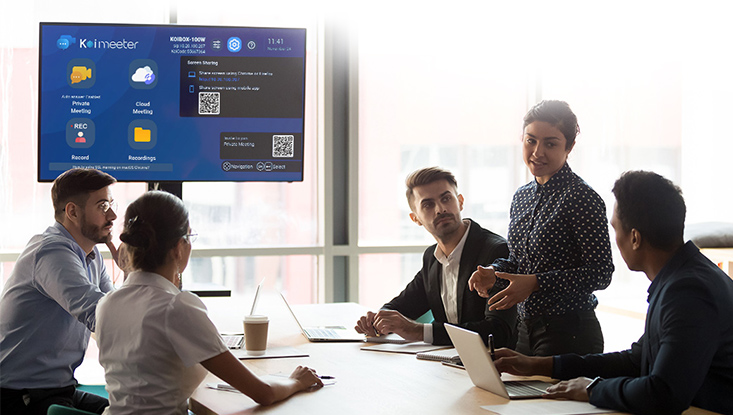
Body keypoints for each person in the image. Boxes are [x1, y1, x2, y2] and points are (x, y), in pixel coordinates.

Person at [492, 171, 733, 415]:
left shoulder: (689, 293)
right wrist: (538, 365)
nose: (615, 239)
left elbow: (663, 393)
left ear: (635, 238)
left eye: (615, 228)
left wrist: (593, 389)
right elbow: (636, 360)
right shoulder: (681, 278)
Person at [96, 191, 322, 414]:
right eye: (190, 237)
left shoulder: (107, 304)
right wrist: (296, 381)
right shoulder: (176, 307)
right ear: (178, 247)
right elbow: (264, 393)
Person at [469, 100, 613, 356]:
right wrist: (494, 273)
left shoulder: (582, 197)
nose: (537, 152)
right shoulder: (522, 196)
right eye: (531, 141)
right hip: (525, 327)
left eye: (550, 144)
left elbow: (601, 273)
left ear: (569, 147)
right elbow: (519, 262)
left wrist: (536, 283)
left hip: (570, 331)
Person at [354, 167, 517, 347]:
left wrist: (417, 331)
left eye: (446, 199)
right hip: (446, 360)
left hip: (495, 362)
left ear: (460, 202)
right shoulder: (432, 258)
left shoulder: (497, 251)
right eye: (428, 205)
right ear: (415, 218)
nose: (440, 209)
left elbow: (498, 331)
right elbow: (403, 306)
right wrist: (376, 321)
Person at [0, 168, 118, 415]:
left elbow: (117, 307)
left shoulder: (91, 254)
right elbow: (101, 316)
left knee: (134, 410)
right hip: (18, 395)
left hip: (59, 388)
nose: (113, 215)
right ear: (72, 212)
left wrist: (133, 273)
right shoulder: (51, 252)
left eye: (111, 204)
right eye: (103, 206)